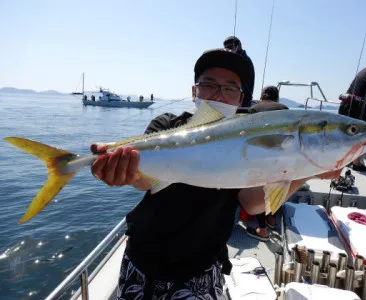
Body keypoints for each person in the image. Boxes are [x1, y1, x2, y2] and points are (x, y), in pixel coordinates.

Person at [91, 48, 340, 299]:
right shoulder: (167, 127)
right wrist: (127, 174)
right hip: (142, 259)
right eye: (209, 84)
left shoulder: (249, 143)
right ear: (194, 91)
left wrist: (311, 170)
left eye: (230, 88)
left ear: (241, 100)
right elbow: (144, 181)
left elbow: (251, 203)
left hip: (201, 267)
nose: (219, 94)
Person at [245, 85, 288, 241]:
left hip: (259, 156)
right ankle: (272, 219)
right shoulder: (284, 108)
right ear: (277, 98)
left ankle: (262, 230)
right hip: (280, 157)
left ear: (262, 97)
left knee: (259, 192)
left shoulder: (254, 108)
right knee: (276, 188)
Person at [223, 36, 255, 108]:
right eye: (226, 48)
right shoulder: (242, 58)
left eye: (230, 47)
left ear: (238, 46)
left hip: (241, 102)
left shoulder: (242, 60)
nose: (228, 50)